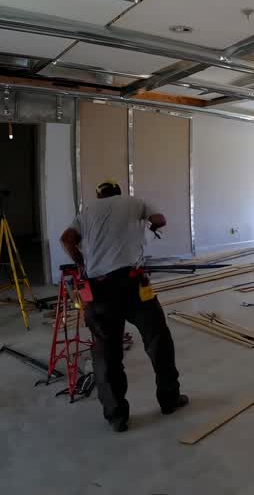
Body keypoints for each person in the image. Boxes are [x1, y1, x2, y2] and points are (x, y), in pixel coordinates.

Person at [59, 180, 186, 432]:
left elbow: (66, 239)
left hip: (98, 289)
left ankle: (117, 416)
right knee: (158, 341)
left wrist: (81, 262)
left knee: (107, 355)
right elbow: (160, 219)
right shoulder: (135, 202)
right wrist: (148, 228)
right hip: (132, 284)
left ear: (99, 195)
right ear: (119, 193)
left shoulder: (86, 211)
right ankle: (169, 400)